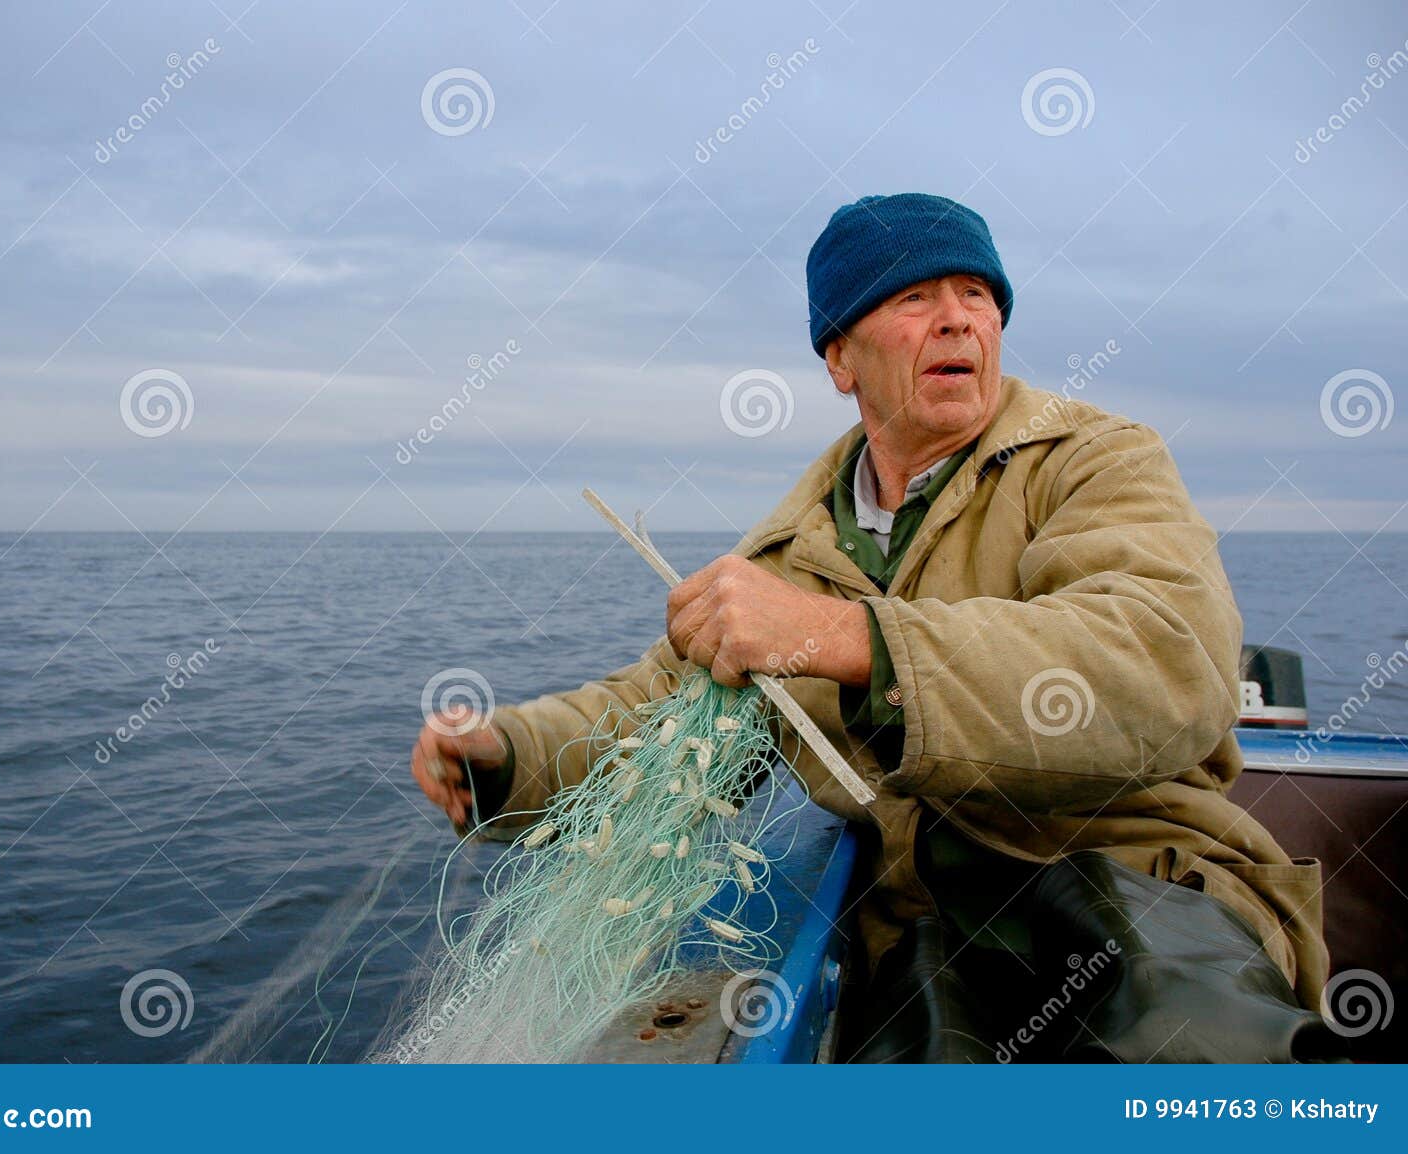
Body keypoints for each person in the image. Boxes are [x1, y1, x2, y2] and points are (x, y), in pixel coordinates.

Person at [410, 192, 1337, 1063]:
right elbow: (652, 715)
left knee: (1193, 1068)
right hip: (923, 930)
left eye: (977, 294)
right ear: (839, 359)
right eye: (914, 297)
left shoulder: (1094, 461)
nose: (958, 318)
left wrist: (847, 639)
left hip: (1139, 881)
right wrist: (505, 756)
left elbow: (1166, 663)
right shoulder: (788, 551)